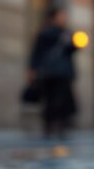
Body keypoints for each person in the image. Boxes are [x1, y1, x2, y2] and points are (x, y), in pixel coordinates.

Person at [29, 8, 78, 138]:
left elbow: (73, 50)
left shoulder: (67, 34)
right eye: (61, 16)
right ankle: (50, 125)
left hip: (63, 72)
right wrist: (33, 69)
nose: (63, 18)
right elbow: (37, 52)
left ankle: (60, 125)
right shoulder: (45, 34)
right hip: (50, 72)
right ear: (53, 17)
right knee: (50, 100)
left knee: (62, 100)